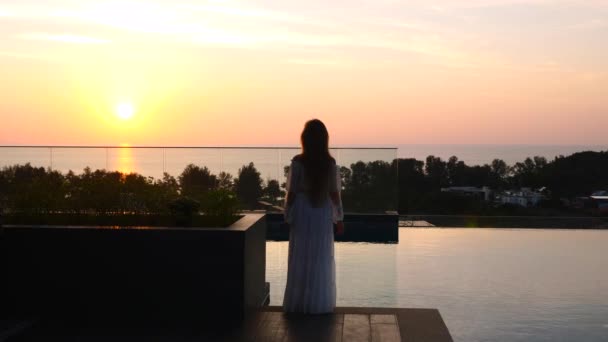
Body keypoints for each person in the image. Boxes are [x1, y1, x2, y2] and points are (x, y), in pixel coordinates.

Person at [283, 119, 344, 314]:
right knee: (319, 256)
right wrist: (339, 217)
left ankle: (299, 302)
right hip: (321, 212)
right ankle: (318, 303)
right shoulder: (330, 163)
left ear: (305, 139)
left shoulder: (298, 162)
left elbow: (291, 192)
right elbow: (334, 193)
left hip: (303, 210)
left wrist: (287, 213)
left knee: (301, 255)